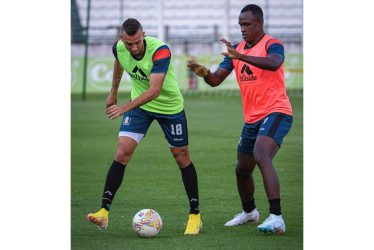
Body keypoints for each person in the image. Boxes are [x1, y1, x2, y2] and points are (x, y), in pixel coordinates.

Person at [87, 18, 202, 235]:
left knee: (182, 157)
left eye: (138, 42)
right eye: (129, 43)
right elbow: (119, 62)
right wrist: (113, 92)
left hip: (169, 108)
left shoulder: (160, 52)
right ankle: (103, 211)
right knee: (122, 152)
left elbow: (154, 90)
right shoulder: (118, 48)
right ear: (122, 39)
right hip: (140, 107)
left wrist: (124, 107)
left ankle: (195, 215)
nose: (134, 47)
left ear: (144, 35)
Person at [187, 4, 293, 234]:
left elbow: (275, 63)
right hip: (252, 118)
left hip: (277, 112)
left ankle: (276, 217)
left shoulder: (271, 44)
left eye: (247, 25)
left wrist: (241, 56)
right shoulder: (236, 50)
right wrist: (205, 74)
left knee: (261, 154)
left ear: (259, 24)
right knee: (242, 169)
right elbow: (216, 80)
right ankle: (249, 212)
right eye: (240, 25)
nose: (242, 29)